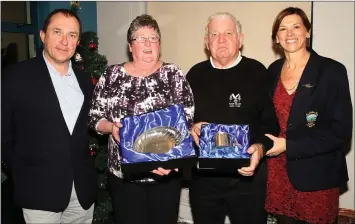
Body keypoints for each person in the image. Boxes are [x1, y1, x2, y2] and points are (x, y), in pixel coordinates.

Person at [88, 14, 194, 224]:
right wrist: (111, 127)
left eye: (153, 37)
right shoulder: (111, 75)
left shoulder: (173, 74)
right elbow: (94, 118)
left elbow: (187, 121)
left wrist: (173, 161)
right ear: (130, 46)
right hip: (124, 176)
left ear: (159, 44)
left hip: (166, 174)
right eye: (140, 38)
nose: (148, 43)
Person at [1, 9, 97, 223]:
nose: (64, 41)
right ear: (43, 35)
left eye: (72, 35)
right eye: (57, 32)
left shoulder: (84, 79)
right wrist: (20, 172)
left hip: (81, 194)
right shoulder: (16, 76)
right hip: (38, 193)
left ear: (78, 42)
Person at [186, 12, 279, 224]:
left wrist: (260, 148)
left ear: (240, 39)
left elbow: (271, 124)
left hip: (248, 180)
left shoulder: (257, 72)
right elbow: (180, 124)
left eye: (228, 33)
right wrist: (191, 127)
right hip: (204, 183)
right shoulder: (194, 75)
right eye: (214, 34)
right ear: (206, 42)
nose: (221, 39)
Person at [264, 7, 353, 224]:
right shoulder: (272, 71)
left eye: (296, 27)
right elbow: (265, 116)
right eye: (283, 29)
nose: (290, 33)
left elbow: (341, 132)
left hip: (318, 174)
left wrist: (289, 145)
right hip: (279, 173)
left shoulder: (332, 71)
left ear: (308, 32)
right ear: (277, 37)